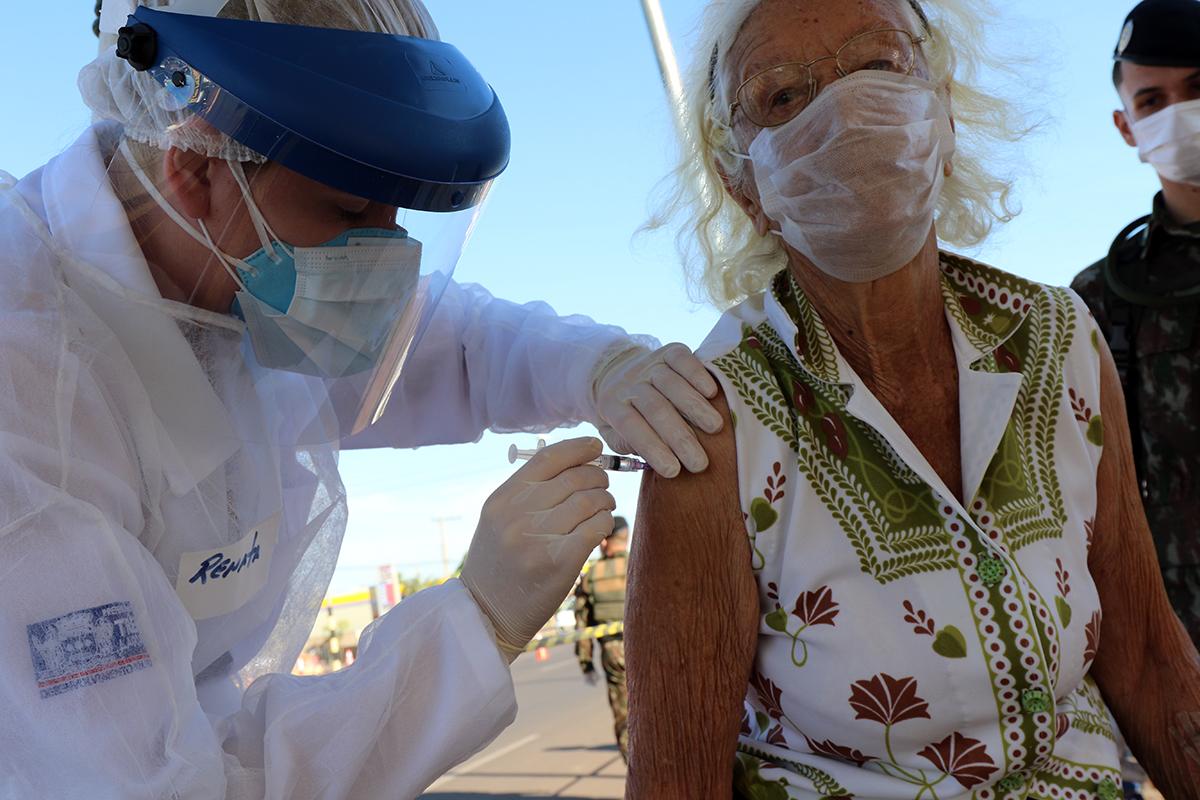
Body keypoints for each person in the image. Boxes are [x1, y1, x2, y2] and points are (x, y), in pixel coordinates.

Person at [0, 1, 727, 797]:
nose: (384, 257)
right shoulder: (29, 387)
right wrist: (473, 622)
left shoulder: (234, 279)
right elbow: (162, 785)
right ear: (197, 164)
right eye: (350, 209)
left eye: (395, 209)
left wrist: (601, 368)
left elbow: (457, 343)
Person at [621, 0, 1200, 797]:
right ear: (741, 183)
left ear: (945, 114)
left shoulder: (1062, 338)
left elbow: (1146, 657)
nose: (847, 113)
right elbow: (675, 780)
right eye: (784, 97)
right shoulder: (712, 422)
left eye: (879, 67)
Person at [1070, 0, 1200, 651]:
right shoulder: (1098, 299)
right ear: (1127, 126)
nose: (1179, 112)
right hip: (1181, 649)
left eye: (1198, 86)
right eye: (1153, 100)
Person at [575, 515, 630, 762]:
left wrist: (585, 663)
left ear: (605, 542)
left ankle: (635, 769)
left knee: (625, 716)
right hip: (651, 650)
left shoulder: (592, 574)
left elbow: (582, 624)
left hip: (613, 654)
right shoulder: (643, 563)